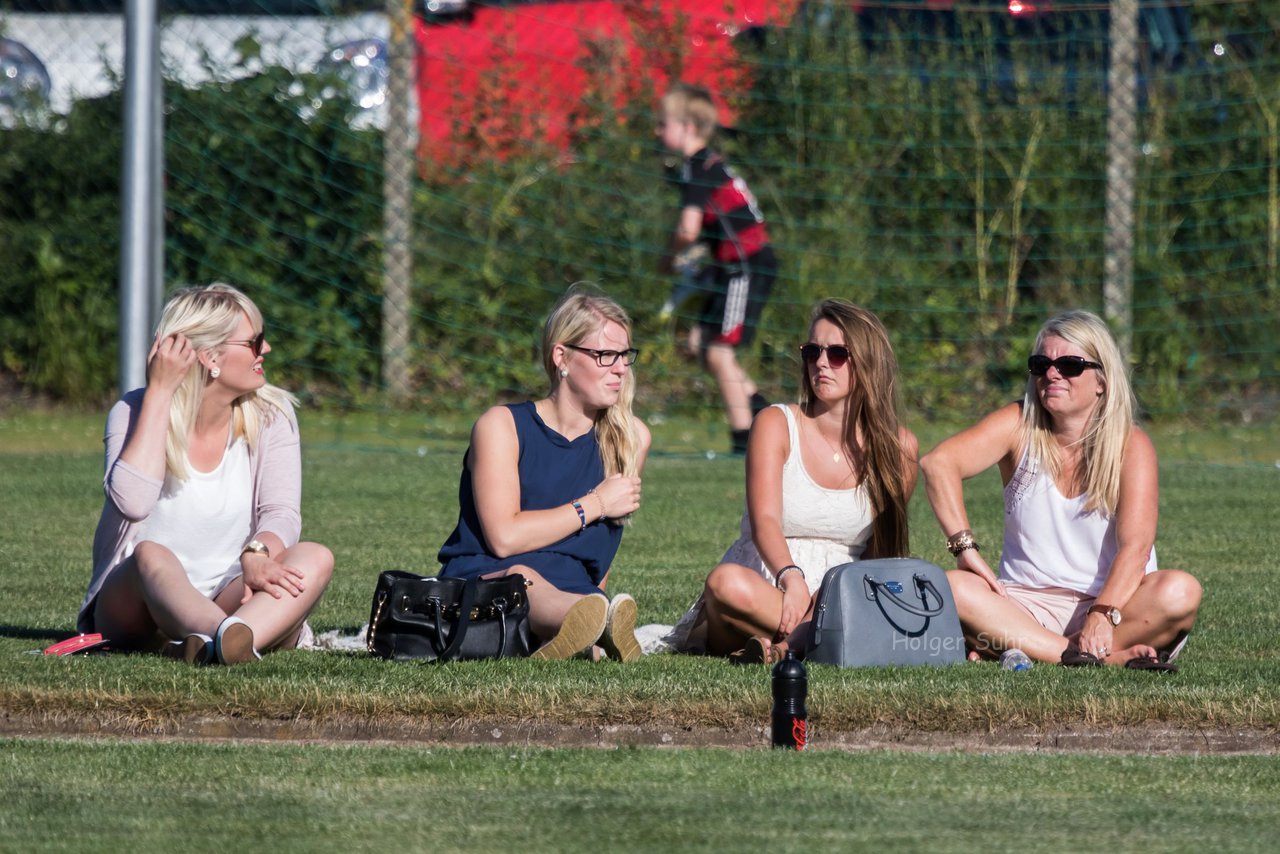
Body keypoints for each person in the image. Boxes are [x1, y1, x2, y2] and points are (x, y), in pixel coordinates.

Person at [919, 310, 1201, 669]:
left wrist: (1101, 614)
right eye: (1041, 365)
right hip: (1024, 606)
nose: (1052, 374)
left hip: (1114, 605)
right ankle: (1090, 657)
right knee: (953, 586)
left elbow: (1136, 548)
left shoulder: (1131, 444)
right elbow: (938, 463)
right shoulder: (1018, 424)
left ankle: (1026, 647)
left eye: (1069, 365)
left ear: (1102, 380)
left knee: (1180, 591)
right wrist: (964, 548)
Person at [81, 283, 334, 664]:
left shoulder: (272, 415)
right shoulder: (132, 411)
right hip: (135, 602)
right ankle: (232, 637)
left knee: (315, 557)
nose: (265, 350)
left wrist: (257, 553)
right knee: (151, 554)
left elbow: (281, 513)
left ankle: (224, 641)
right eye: (254, 341)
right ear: (210, 356)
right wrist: (160, 394)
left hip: (227, 591)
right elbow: (132, 503)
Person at [666, 299, 918, 661]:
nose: (820, 362)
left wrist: (830, 599)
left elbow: (878, 554)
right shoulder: (775, 422)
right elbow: (764, 520)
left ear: (867, 361)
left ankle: (785, 647)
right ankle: (805, 644)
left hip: (839, 598)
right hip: (770, 583)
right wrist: (791, 577)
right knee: (724, 584)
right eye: (812, 351)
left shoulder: (900, 448)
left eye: (837, 354)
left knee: (840, 599)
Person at [437, 286, 652, 661]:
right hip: (493, 577)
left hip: (574, 588)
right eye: (604, 355)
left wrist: (595, 591)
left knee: (587, 598)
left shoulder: (630, 438)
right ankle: (592, 628)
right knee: (522, 578)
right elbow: (504, 538)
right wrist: (596, 503)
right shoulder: (502, 426)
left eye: (623, 355)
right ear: (561, 357)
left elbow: (601, 554)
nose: (620, 368)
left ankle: (585, 624)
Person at [656, 82, 778, 455]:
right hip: (733, 266)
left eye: (663, 124)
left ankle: (744, 443)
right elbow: (713, 230)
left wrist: (667, 258)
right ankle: (766, 414)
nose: (657, 132)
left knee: (720, 353)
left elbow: (688, 229)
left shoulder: (699, 166)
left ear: (688, 126)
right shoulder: (706, 165)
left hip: (745, 266)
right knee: (699, 345)